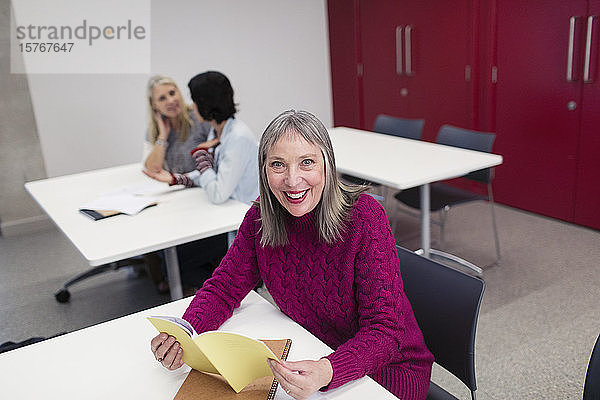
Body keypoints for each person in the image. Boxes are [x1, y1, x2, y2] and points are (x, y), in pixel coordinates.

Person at [150, 110, 434, 399]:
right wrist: (185, 332)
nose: (292, 179)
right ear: (264, 170)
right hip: (313, 351)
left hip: (388, 371)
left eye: (306, 162)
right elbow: (224, 288)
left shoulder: (364, 218)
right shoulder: (261, 217)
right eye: (278, 165)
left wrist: (328, 370)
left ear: (327, 165)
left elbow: (385, 331)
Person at [142, 75, 225, 292]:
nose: (170, 100)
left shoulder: (199, 119)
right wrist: (162, 134)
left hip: (204, 193)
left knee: (176, 265)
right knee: (162, 252)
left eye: (172, 93)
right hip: (180, 197)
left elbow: (214, 161)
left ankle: (221, 287)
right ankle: (190, 281)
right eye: (161, 98)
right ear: (154, 105)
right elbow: (151, 167)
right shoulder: (157, 129)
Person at [144, 71, 259, 205]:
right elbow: (213, 174)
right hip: (230, 208)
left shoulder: (238, 137)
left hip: (243, 212)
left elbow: (218, 194)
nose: (192, 106)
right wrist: (176, 179)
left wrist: (201, 157)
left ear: (206, 104)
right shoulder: (217, 132)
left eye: (194, 101)